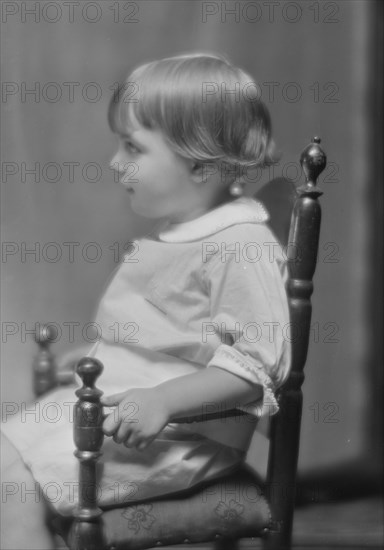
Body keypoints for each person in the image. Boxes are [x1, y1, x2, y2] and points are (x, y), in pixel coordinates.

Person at [1, 52, 291, 549]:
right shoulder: (187, 231)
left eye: (132, 148)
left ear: (199, 163)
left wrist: (161, 399)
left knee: (14, 486)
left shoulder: (240, 244)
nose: (116, 163)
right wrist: (112, 357)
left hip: (180, 437)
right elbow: (172, 335)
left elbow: (257, 367)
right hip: (125, 414)